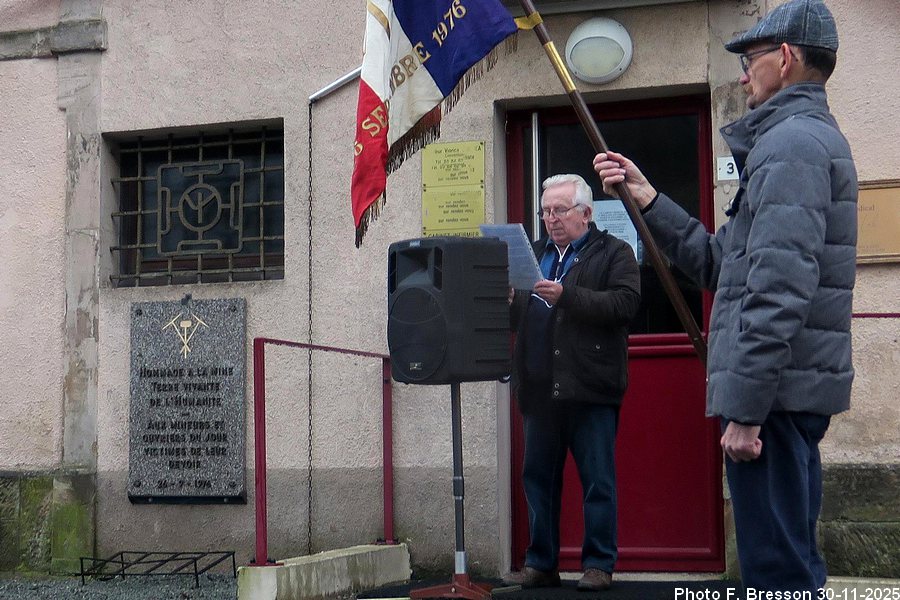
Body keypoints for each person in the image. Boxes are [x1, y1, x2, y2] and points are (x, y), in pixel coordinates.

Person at [592, 0, 856, 593]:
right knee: (788, 564)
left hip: (775, 402)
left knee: (777, 574)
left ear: (784, 58)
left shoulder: (791, 145)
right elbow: (720, 263)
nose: (741, 76)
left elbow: (779, 292)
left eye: (749, 59)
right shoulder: (794, 142)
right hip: (784, 396)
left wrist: (747, 410)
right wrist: (649, 199)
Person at [501, 174, 640, 591]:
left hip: (590, 389)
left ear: (586, 213)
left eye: (560, 210)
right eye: (546, 211)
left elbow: (625, 303)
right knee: (538, 480)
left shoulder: (615, 252)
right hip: (539, 391)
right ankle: (541, 562)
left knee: (598, 481)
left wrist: (567, 296)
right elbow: (522, 318)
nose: (551, 219)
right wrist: (509, 303)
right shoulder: (534, 254)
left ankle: (598, 564)